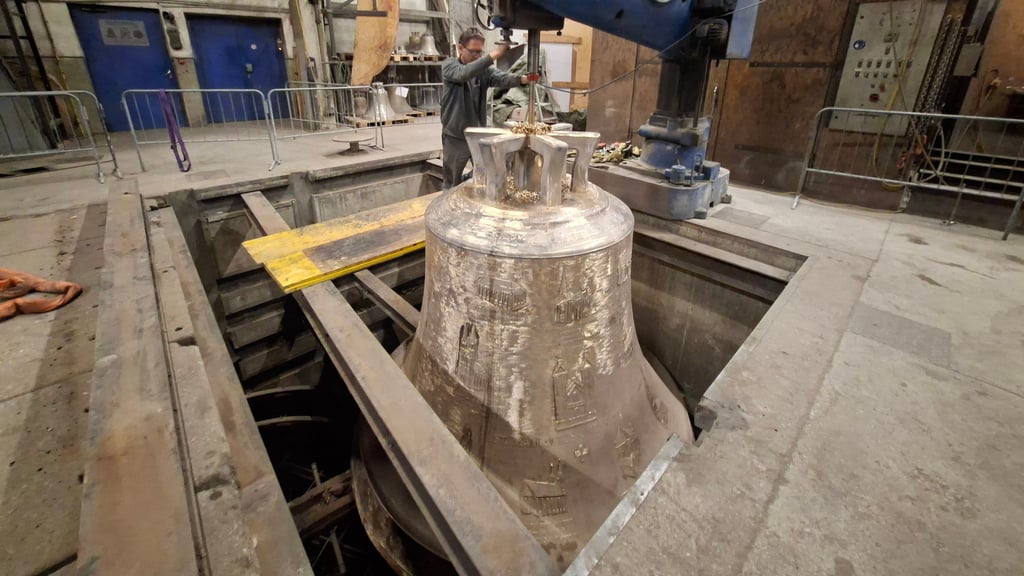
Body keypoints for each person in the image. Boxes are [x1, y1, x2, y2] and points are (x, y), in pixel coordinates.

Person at [441, 28, 533, 189]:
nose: (477, 56)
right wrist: (496, 53)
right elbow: (463, 74)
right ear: (460, 48)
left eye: (480, 52)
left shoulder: (483, 71)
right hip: (456, 137)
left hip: (477, 134)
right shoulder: (450, 66)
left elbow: (502, 78)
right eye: (473, 52)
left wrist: (524, 79)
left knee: (484, 175)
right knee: (451, 182)